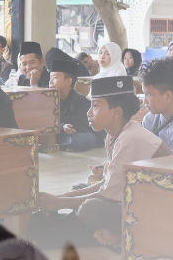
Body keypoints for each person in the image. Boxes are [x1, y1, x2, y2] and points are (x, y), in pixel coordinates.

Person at [38, 75, 165, 211]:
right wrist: (64, 196)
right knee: (77, 189)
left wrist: (60, 203)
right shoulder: (112, 136)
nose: (89, 113)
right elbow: (108, 182)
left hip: (156, 205)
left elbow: (108, 195)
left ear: (117, 112)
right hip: (134, 194)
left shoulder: (129, 138)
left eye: (95, 106)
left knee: (89, 208)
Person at [45, 46, 97, 150]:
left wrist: (65, 129)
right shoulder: (48, 98)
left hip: (83, 134)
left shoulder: (79, 101)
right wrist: (62, 127)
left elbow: (79, 129)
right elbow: (47, 121)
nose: (50, 82)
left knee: (75, 139)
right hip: (62, 133)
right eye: (50, 78)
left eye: (55, 78)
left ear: (68, 81)